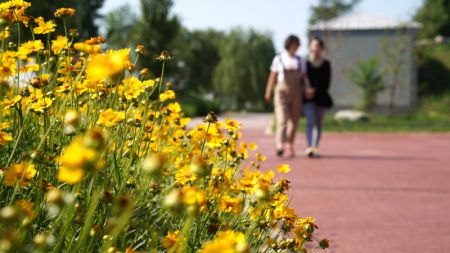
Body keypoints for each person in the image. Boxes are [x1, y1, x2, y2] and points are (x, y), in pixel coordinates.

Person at [265, 35, 310, 158]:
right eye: (294, 44)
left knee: (294, 121)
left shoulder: (300, 60)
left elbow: (304, 77)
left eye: (298, 45)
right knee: (282, 119)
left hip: (296, 92)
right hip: (282, 92)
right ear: (289, 44)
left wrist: (307, 88)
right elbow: (272, 76)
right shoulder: (279, 59)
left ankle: (290, 144)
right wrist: (268, 91)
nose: (296, 47)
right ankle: (279, 145)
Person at [303, 37, 333, 158]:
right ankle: (310, 147)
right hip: (308, 98)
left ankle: (315, 147)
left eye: (318, 46)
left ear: (322, 48)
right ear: (310, 47)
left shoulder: (326, 64)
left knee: (318, 123)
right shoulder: (305, 64)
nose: (315, 48)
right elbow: (301, 79)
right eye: (313, 45)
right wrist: (306, 90)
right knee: (310, 121)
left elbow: (326, 82)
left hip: (321, 98)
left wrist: (314, 89)